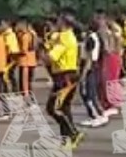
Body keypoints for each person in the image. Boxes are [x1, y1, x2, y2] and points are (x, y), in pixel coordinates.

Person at [44, 14, 82, 148]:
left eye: (59, 22)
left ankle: (73, 133)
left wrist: (44, 53)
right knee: (63, 108)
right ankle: (66, 138)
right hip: (64, 75)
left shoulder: (65, 38)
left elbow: (52, 57)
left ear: (65, 24)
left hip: (66, 76)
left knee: (54, 108)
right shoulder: (63, 36)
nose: (56, 24)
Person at [79, 17, 106, 127]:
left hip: (89, 66)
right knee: (91, 92)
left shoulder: (90, 38)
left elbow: (89, 57)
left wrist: (83, 74)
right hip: (94, 65)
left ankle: (95, 116)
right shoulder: (96, 37)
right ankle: (98, 114)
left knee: (86, 92)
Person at [14, 19, 38, 97]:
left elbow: (24, 50)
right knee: (28, 82)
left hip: (25, 62)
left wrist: (16, 52)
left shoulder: (24, 36)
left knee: (24, 83)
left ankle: (26, 98)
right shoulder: (32, 34)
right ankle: (29, 98)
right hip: (31, 60)